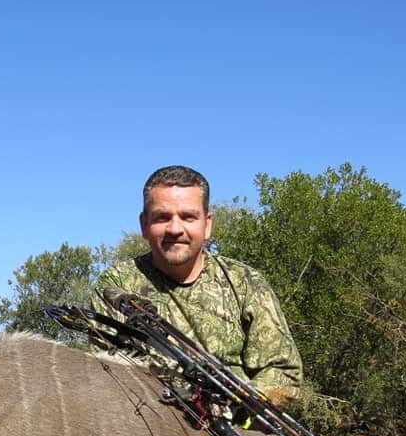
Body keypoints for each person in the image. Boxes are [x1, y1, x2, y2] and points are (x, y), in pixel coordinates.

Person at [92, 165, 303, 407]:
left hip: (239, 422)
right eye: (162, 217)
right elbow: (109, 374)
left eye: (188, 217)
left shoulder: (245, 281)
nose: (175, 229)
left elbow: (283, 371)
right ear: (144, 224)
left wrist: (234, 407)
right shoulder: (115, 285)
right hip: (150, 417)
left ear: (207, 224)